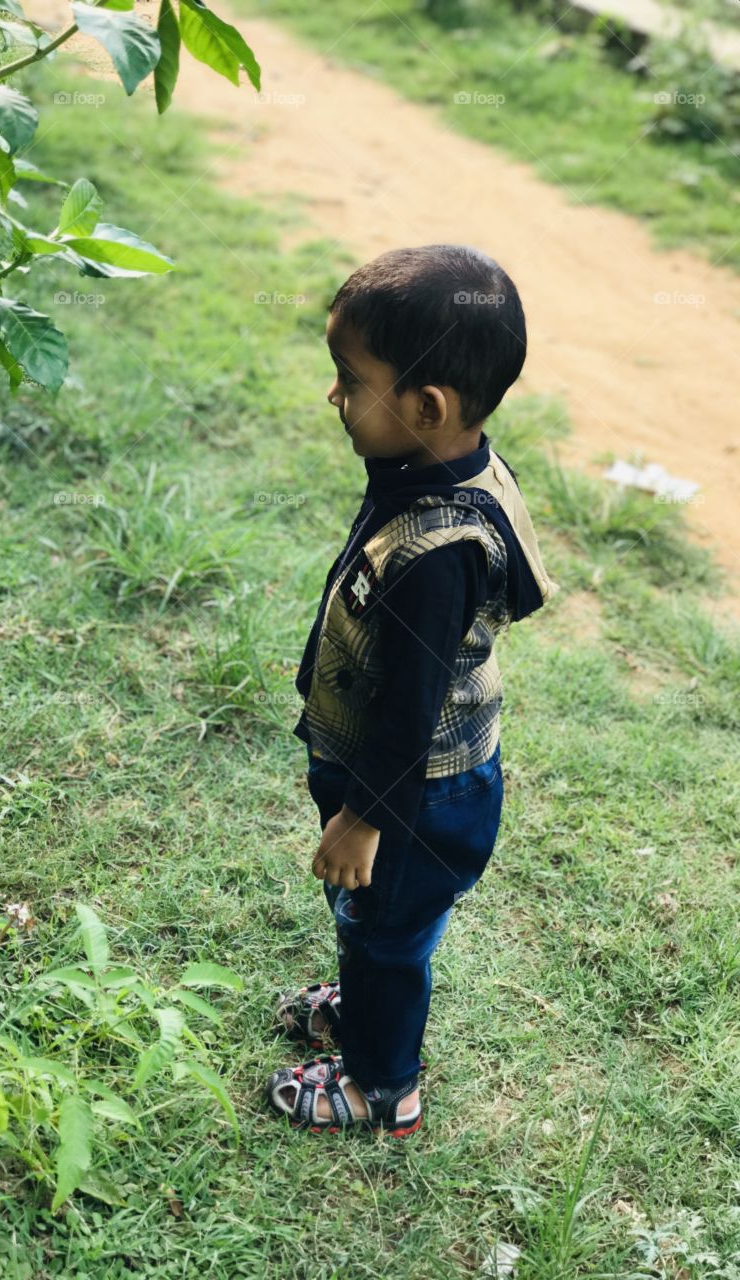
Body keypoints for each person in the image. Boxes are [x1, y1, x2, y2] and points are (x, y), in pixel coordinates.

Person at [264, 244, 559, 1136]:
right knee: (371, 917)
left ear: (427, 407)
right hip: (408, 783)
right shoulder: (438, 466)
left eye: (349, 380)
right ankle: (365, 997)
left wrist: (363, 818)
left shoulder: (440, 553)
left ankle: (383, 1086)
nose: (335, 396)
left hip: (414, 795)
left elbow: (410, 713)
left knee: (386, 929)